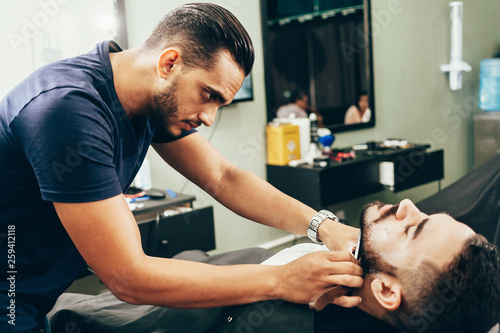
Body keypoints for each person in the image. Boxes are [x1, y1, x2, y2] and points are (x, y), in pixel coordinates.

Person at [0, 3, 361, 332]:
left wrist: (323, 227)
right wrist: (281, 280)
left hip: (34, 297)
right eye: (209, 95)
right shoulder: (67, 109)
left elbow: (223, 177)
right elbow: (128, 277)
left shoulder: (141, 97)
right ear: (168, 63)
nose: (208, 117)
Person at [46, 198, 500, 332]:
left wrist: (278, 281)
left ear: (385, 292)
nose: (406, 204)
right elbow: (224, 178)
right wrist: (320, 226)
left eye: (413, 229)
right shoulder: (357, 284)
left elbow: (129, 285)